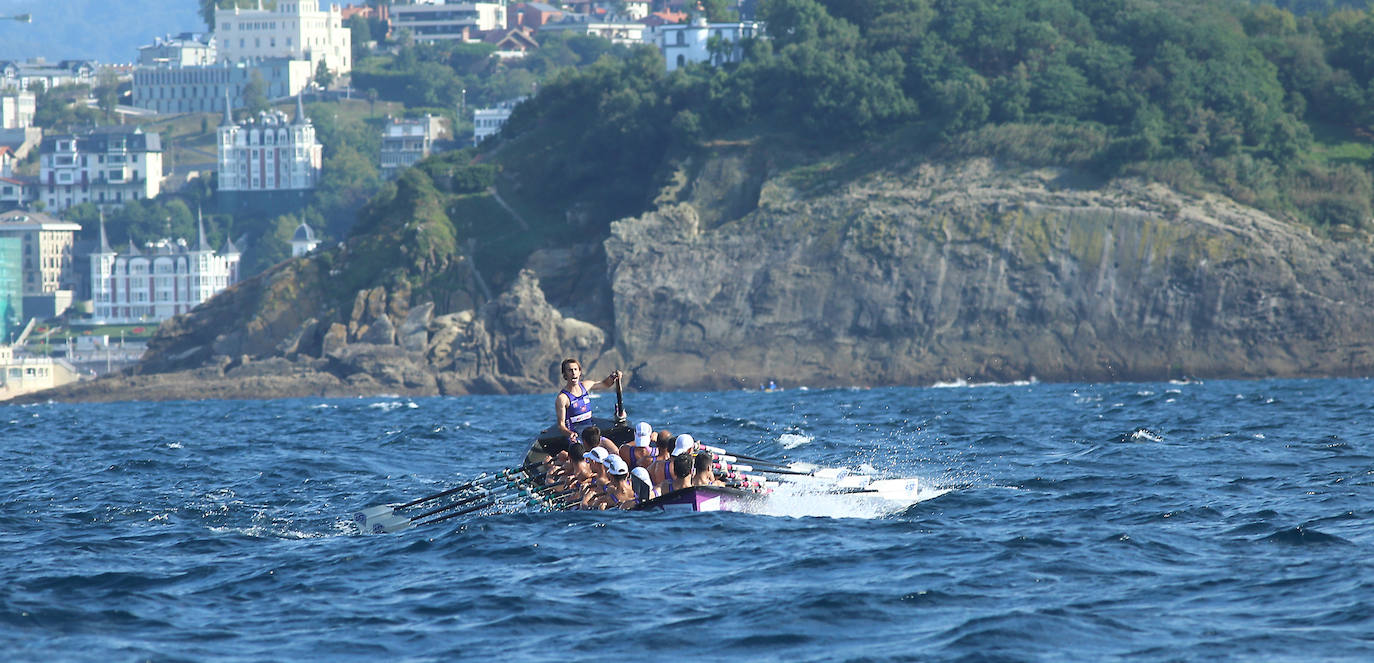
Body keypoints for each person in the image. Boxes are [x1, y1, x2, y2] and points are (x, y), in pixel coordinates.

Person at [554, 359, 621, 444]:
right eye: (570, 370)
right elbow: (561, 426)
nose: (573, 373)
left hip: (591, 435)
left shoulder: (585, 385)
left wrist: (613, 377)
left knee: (614, 449)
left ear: (579, 372)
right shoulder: (562, 398)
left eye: (575, 369)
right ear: (565, 375)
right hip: (576, 437)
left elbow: (605, 384)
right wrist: (570, 434)